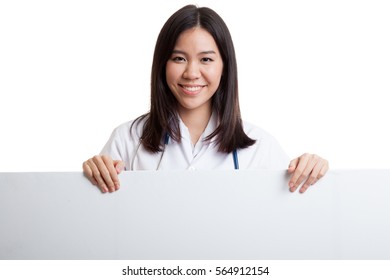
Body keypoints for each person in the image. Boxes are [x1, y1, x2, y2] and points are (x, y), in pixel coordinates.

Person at [83, 4, 329, 194]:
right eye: (178, 58)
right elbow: (100, 223)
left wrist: (312, 171)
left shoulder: (260, 147)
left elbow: (290, 219)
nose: (191, 73)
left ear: (225, 67)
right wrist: (93, 175)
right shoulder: (127, 140)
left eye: (206, 59)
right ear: (162, 65)